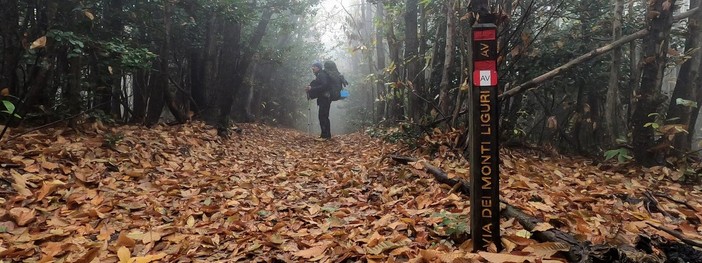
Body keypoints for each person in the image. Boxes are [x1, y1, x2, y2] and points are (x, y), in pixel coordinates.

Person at [306, 62, 332, 140]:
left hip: (325, 98)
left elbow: (324, 86)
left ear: (318, 68)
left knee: (323, 116)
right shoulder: (320, 75)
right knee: (324, 116)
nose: (312, 69)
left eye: (314, 67)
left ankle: (325, 136)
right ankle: (326, 135)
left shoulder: (322, 75)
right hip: (324, 98)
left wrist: (312, 89)